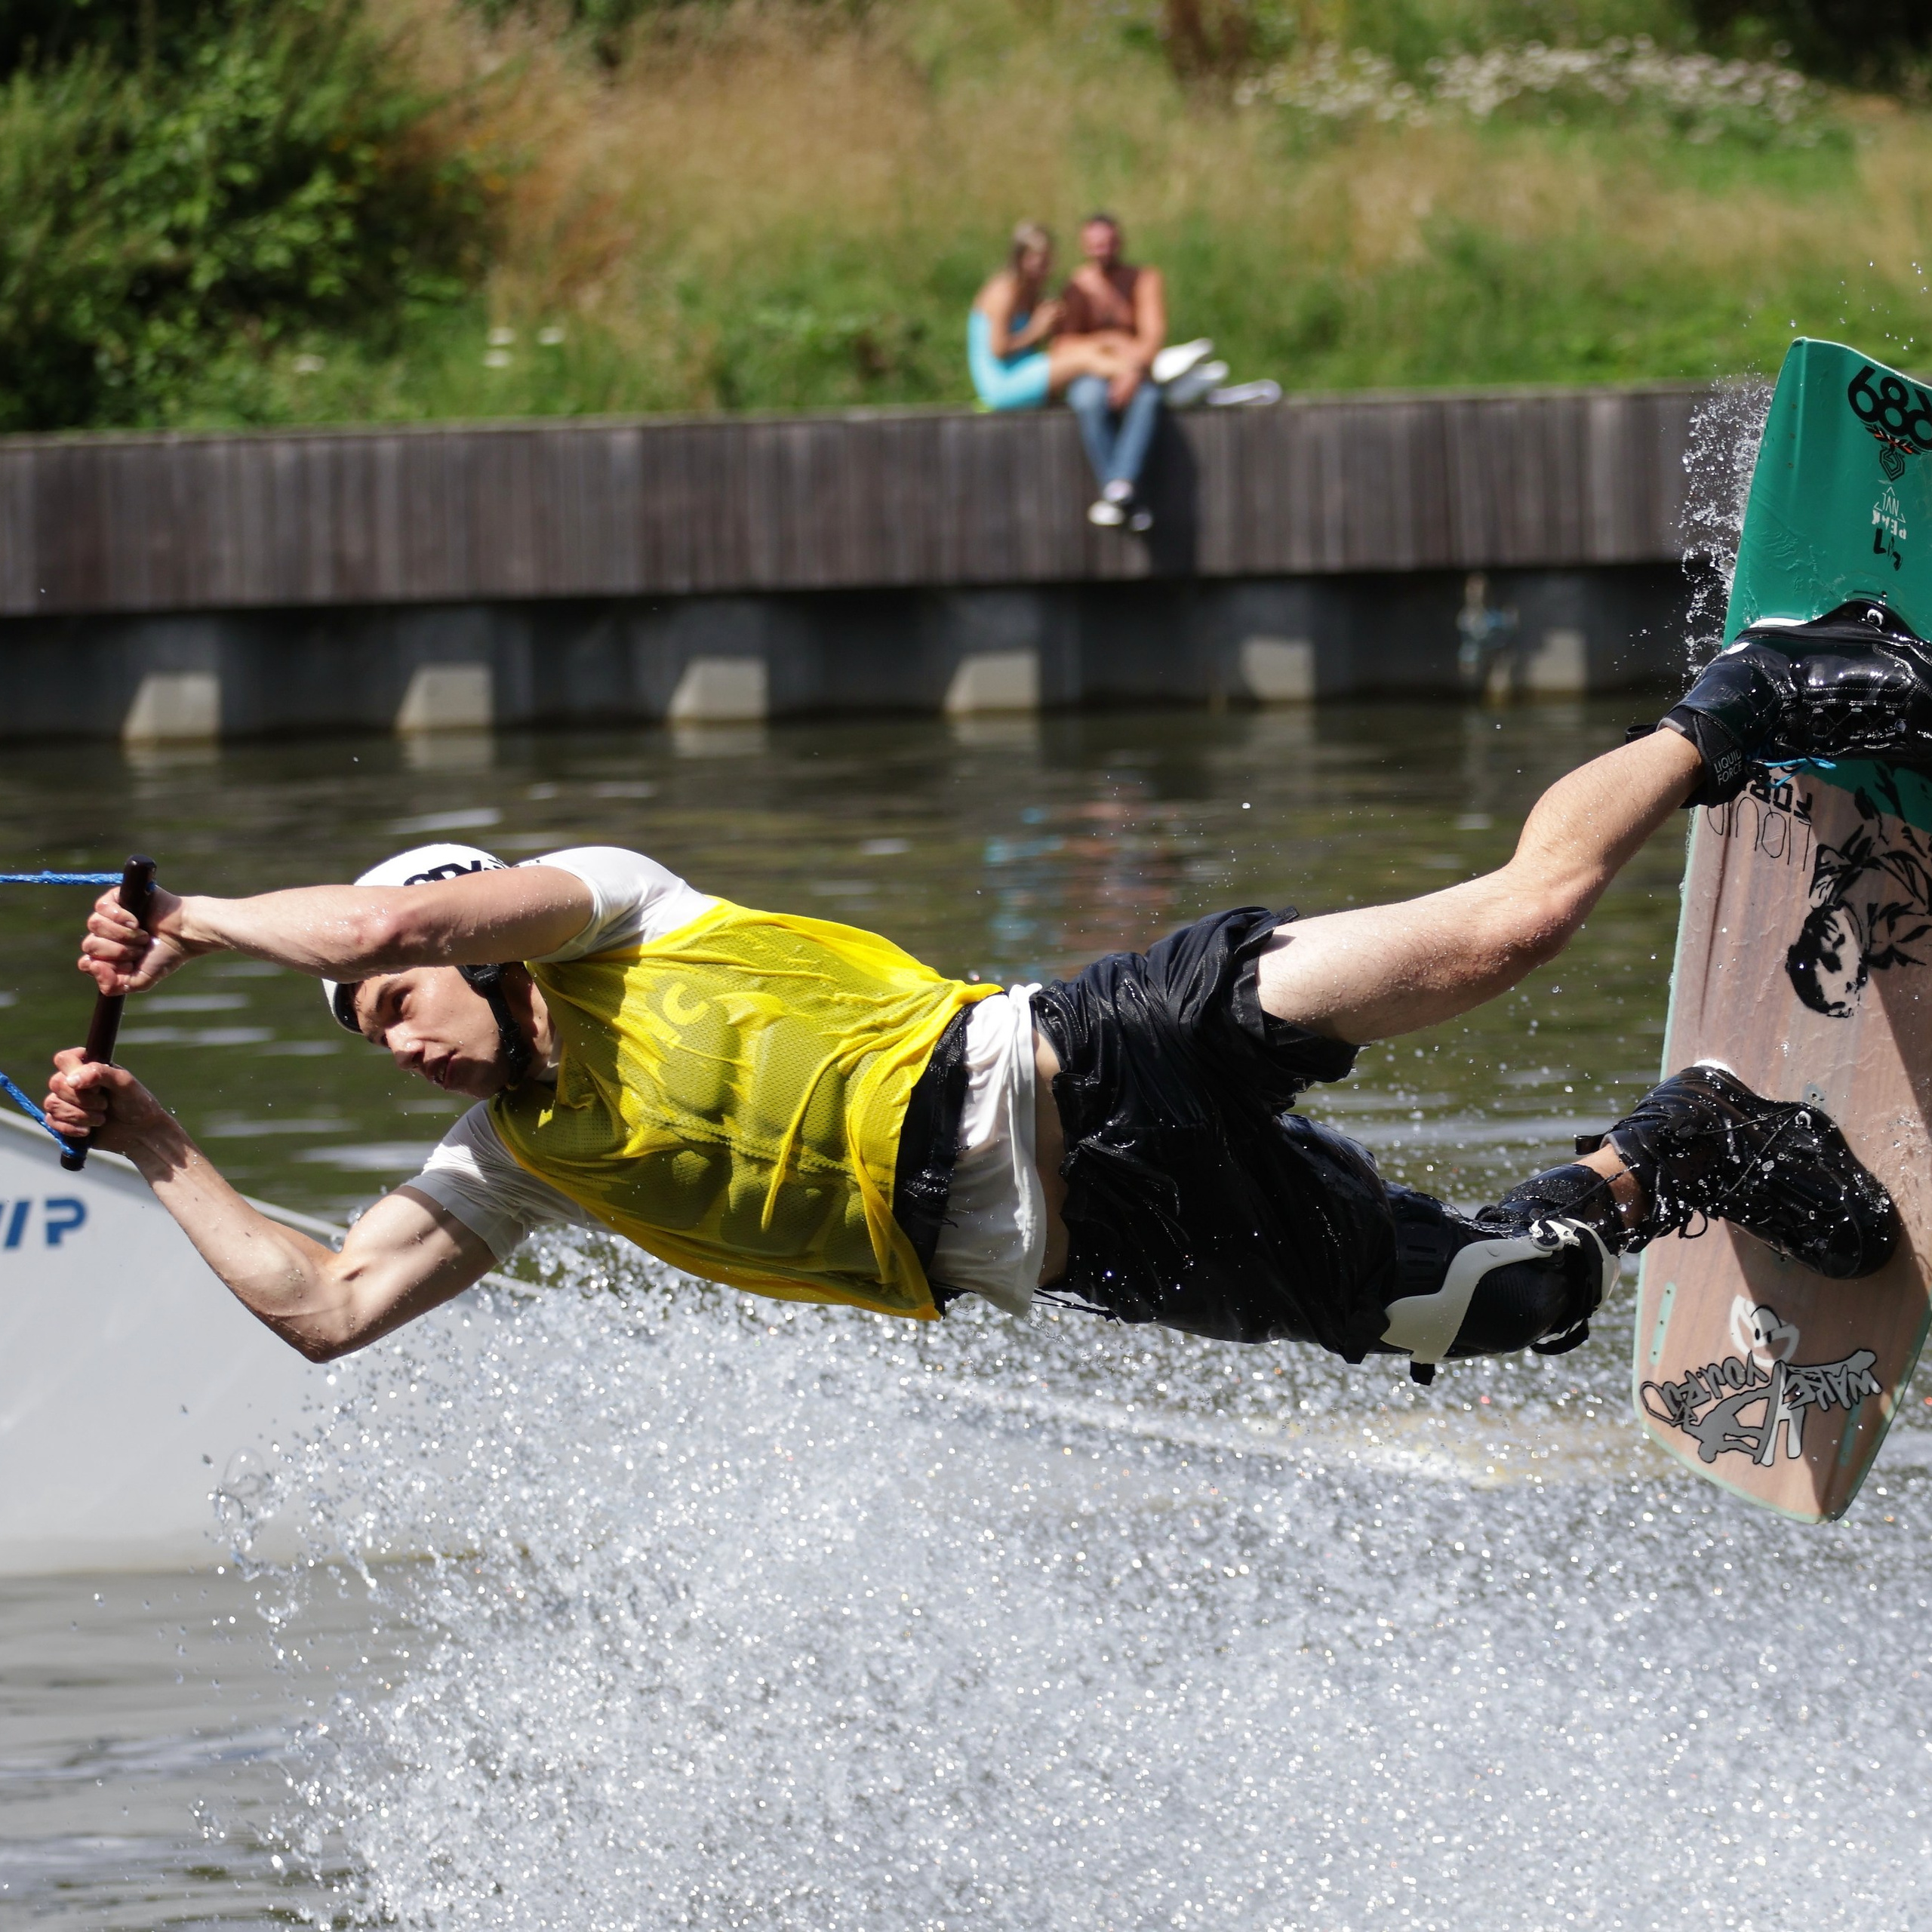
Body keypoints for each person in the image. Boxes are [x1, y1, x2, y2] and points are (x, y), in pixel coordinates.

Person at [46, 600, 1928, 1377]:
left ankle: (1744, 702)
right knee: (1490, 1310)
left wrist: (198, 915)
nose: (386, 1027)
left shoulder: (611, 909)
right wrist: (150, 1139)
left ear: (465, 921)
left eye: (392, 993)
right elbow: (323, 1300)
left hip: (1093, 1043)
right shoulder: (516, 1162)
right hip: (1088, 1241)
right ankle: (1681, 1149)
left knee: (1508, 928)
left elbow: (381, 928)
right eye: (361, 1035)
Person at [1055, 213, 1171, 531]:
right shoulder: (1078, 285)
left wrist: (1133, 370)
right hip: (1092, 371)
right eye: (1095, 245)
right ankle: (1125, 497)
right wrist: (1109, 341)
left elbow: (1152, 336)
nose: (1102, 251)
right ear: (1084, 246)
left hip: (1135, 370)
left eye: (1107, 243)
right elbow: (1064, 343)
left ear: (1119, 242)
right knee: (1088, 399)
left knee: (1147, 400)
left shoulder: (1143, 280)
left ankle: (1117, 489)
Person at [968, 223, 1146, 414]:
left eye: (1048, 260)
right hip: (1001, 385)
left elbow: (1034, 348)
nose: (1045, 269)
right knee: (1084, 358)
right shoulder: (1004, 291)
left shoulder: (1031, 292)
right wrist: (1036, 329)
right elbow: (999, 350)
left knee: (1087, 349)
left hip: (1022, 372)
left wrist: (1052, 327)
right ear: (1021, 259)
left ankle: (1130, 369)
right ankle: (1135, 372)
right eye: (1039, 260)